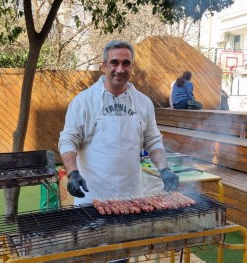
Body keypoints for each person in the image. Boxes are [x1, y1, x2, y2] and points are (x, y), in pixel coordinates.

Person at [58, 40, 179, 205]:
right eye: (114, 63)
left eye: (126, 63)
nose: (120, 69)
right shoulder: (83, 101)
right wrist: (72, 173)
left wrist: (164, 169)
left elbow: (152, 140)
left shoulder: (143, 103)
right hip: (92, 196)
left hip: (132, 196)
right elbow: (68, 140)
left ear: (131, 67)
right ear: (104, 66)